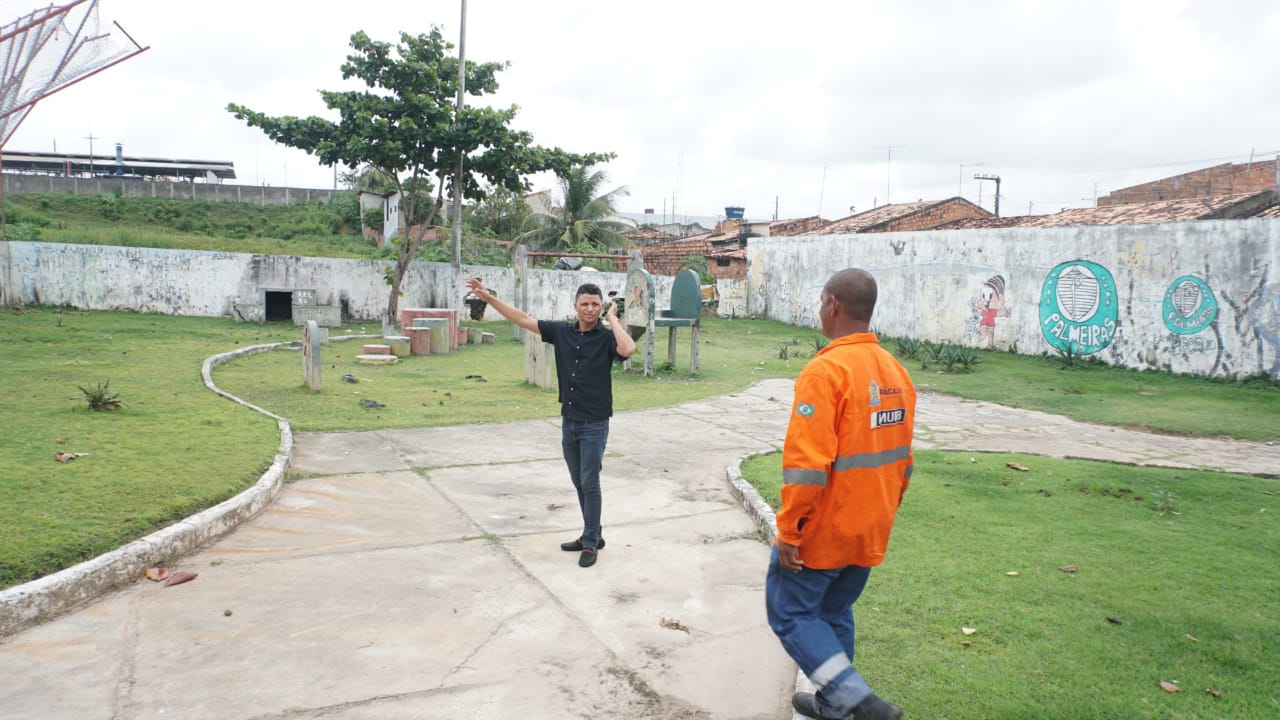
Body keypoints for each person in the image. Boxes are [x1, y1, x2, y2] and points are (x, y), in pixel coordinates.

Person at [766, 268, 917, 720]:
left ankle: (854, 697)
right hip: (870, 525)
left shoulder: (825, 371)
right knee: (833, 612)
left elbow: (807, 465)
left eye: (820, 301)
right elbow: (904, 460)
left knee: (790, 612)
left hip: (826, 530)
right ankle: (833, 705)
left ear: (832, 304)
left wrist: (790, 530)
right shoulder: (895, 371)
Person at [464, 277, 636, 568]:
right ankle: (592, 532)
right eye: (585, 304)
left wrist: (612, 319)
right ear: (576, 306)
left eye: (596, 304)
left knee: (590, 482)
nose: (590, 309)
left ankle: (591, 542)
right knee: (578, 481)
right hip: (569, 421)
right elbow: (522, 318)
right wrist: (490, 299)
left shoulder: (607, 338)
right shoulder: (561, 332)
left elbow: (628, 349)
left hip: (594, 423)